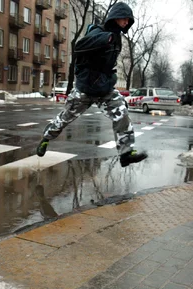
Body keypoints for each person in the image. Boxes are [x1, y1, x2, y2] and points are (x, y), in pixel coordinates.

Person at [36, 2, 147, 168]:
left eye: (128, 20)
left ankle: (125, 154)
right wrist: (105, 39)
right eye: (124, 19)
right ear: (115, 17)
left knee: (122, 113)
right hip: (85, 88)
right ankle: (46, 138)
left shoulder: (117, 39)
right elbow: (80, 46)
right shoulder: (98, 31)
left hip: (105, 88)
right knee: (66, 117)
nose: (126, 22)